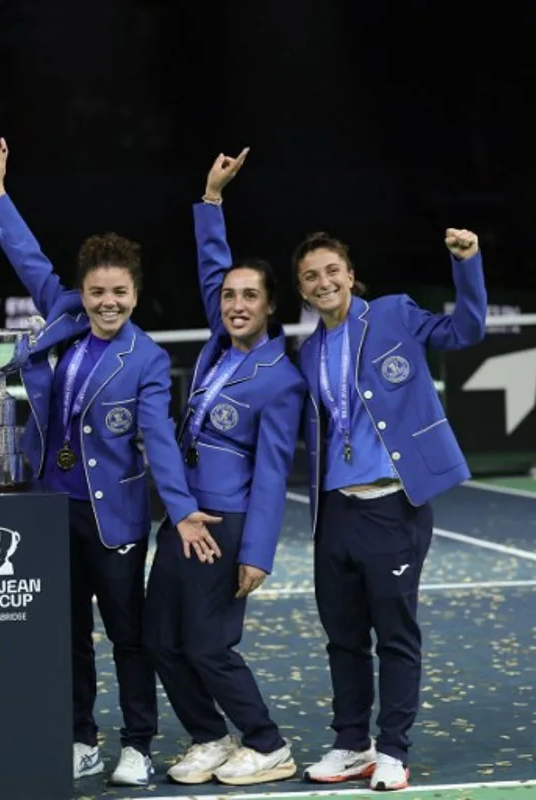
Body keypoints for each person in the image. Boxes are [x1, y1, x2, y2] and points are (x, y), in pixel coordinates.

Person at [0, 138, 219, 787]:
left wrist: (184, 508)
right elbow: (28, 259)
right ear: (79, 291)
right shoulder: (62, 314)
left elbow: (158, 440)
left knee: (127, 633)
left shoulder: (143, 359)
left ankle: (137, 741)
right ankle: (81, 735)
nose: (106, 303)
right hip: (50, 505)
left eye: (118, 293)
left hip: (113, 518)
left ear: (136, 293)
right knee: (66, 633)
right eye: (95, 292)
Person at [293, 222, 487, 791]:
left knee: (395, 635)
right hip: (334, 514)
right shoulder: (308, 352)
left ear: (351, 276)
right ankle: (352, 743)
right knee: (342, 637)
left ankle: (393, 749)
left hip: (392, 506)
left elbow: (467, 329)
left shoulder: (395, 314)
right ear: (302, 293)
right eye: (311, 277)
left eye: (332, 271)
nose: (324, 282)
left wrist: (466, 262)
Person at [142, 148, 304, 787]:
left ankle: (266, 743)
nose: (236, 304)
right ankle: (209, 736)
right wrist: (211, 201)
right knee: (162, 641)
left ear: (269, 307)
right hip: (181, 520)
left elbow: (271, 475)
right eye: (230, 296)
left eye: (249, 297)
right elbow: (214, 267)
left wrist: (256, 553)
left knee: (208, 646)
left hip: (226, 525)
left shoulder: (281, 380)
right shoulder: (217, 344)